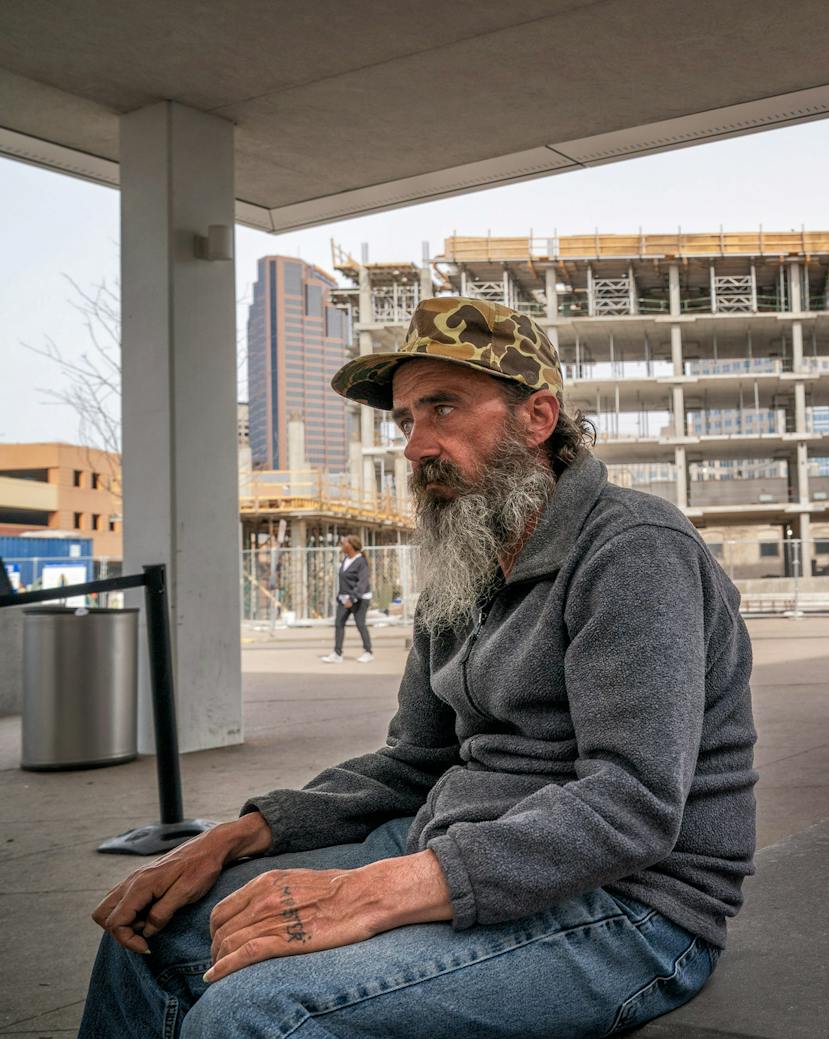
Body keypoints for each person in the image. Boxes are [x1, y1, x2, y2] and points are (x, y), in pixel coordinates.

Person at [79, 297, 758, 1038]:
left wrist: (377, 892)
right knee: (154, 936)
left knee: (259, 1012)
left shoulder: (633, 549)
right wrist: (238, 833)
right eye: (406, 419)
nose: (415, 447)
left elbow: (632, 804)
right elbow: (414, 760)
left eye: (443, 408)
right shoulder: (467, 558)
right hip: (447, 846)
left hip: (629, 906)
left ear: (537, 418)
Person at [320, 534, 373, 663]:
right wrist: (341, 596)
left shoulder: (361, 561)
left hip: (359, 599)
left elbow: (362, 583)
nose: (342, 545)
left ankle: (368, 652)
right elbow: (344, 581)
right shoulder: (346, 559)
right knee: (339, 624)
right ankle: (337, 654)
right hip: (344, 598)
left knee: (360, 624)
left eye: (344, 543)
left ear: (351, 546)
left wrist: (352, 598)